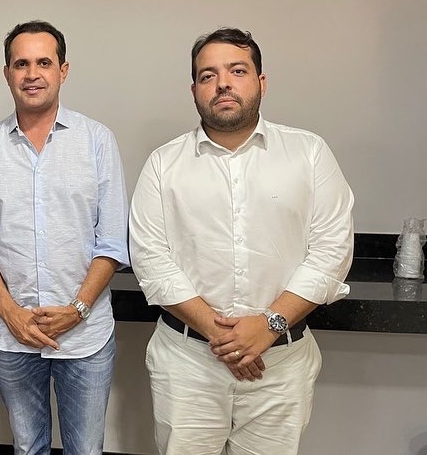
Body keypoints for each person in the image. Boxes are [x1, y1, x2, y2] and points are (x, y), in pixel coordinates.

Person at [129, 27, 354, 454]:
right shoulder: (163, 164)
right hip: (188, 365)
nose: (223, 84)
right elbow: (151, 259)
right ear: (194, 90)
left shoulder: (309, 153)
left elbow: (331, 252)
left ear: (261, 82)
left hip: (281, 367)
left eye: (237, 70)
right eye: (208, 75)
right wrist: (227, 339)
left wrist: (268, 326)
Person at [0, 20, 129, 455]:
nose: (32, 74)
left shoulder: (97, 141)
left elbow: (112, 241)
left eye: (43, 62)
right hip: (11, 334)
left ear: (63, 70)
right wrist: (10, 313)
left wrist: (77, 309)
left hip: (86, 335)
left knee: (85, 450)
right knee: (27, 447)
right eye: (21, 64)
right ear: (7, 73)